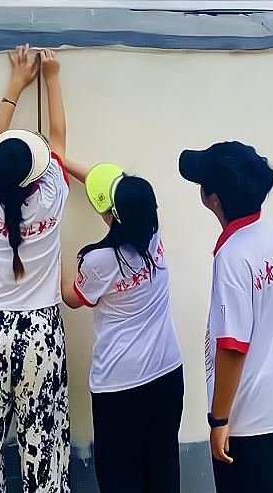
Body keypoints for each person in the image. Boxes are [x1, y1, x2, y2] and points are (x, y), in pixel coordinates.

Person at [0, 45, 70, 492]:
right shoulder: (52, 196)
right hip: (41, 331)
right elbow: (58, 140)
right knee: (44, 443)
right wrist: (52, 78)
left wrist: (15, 83)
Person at [178, 142, 273, 493]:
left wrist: (218, 420)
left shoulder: (232, 256)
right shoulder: (268, 232)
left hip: (248, 423)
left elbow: (233, 347)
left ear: (214, 200)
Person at [60, 163, 184, 493]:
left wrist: (53, 254)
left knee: (120, 478)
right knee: (163, 469)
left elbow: (72, 297)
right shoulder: (153, 236)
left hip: (119, 387)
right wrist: (63, 161)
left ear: (113, 216)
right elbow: (117, 192)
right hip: (167, 375)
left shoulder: (100, 261)